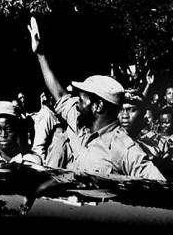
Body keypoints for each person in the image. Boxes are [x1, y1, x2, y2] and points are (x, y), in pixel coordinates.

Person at [28, 16, 164, 179]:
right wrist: (40, 54)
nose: (77, 101)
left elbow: (158, 186)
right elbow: (60, 95)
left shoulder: (123, 148)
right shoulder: (79, 123)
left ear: (98, 105)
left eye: (82, 98)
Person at [31, 92, 62, 159]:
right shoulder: (46, 114)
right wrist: (43, 167)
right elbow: (39, 146)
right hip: (50, 162)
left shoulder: (53, 113)